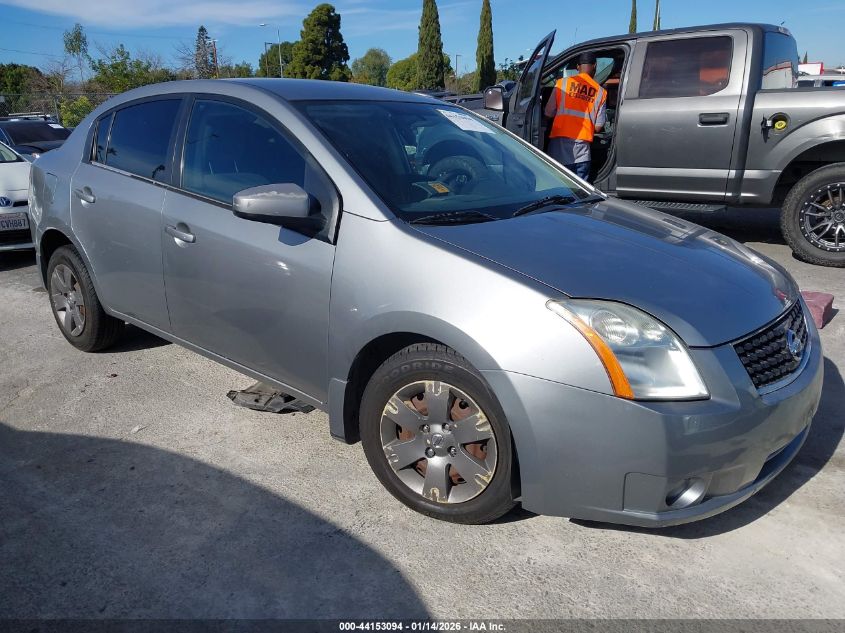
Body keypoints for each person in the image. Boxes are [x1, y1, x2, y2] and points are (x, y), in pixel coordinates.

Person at [544, 52, 608, 182]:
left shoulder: (562, 84)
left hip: (559, 151)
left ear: (578, 67)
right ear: (595, 66)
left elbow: (548, 112)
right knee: (580, 194)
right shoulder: (601, 92)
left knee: (559, 191)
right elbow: (598, 126)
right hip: (582, 154)